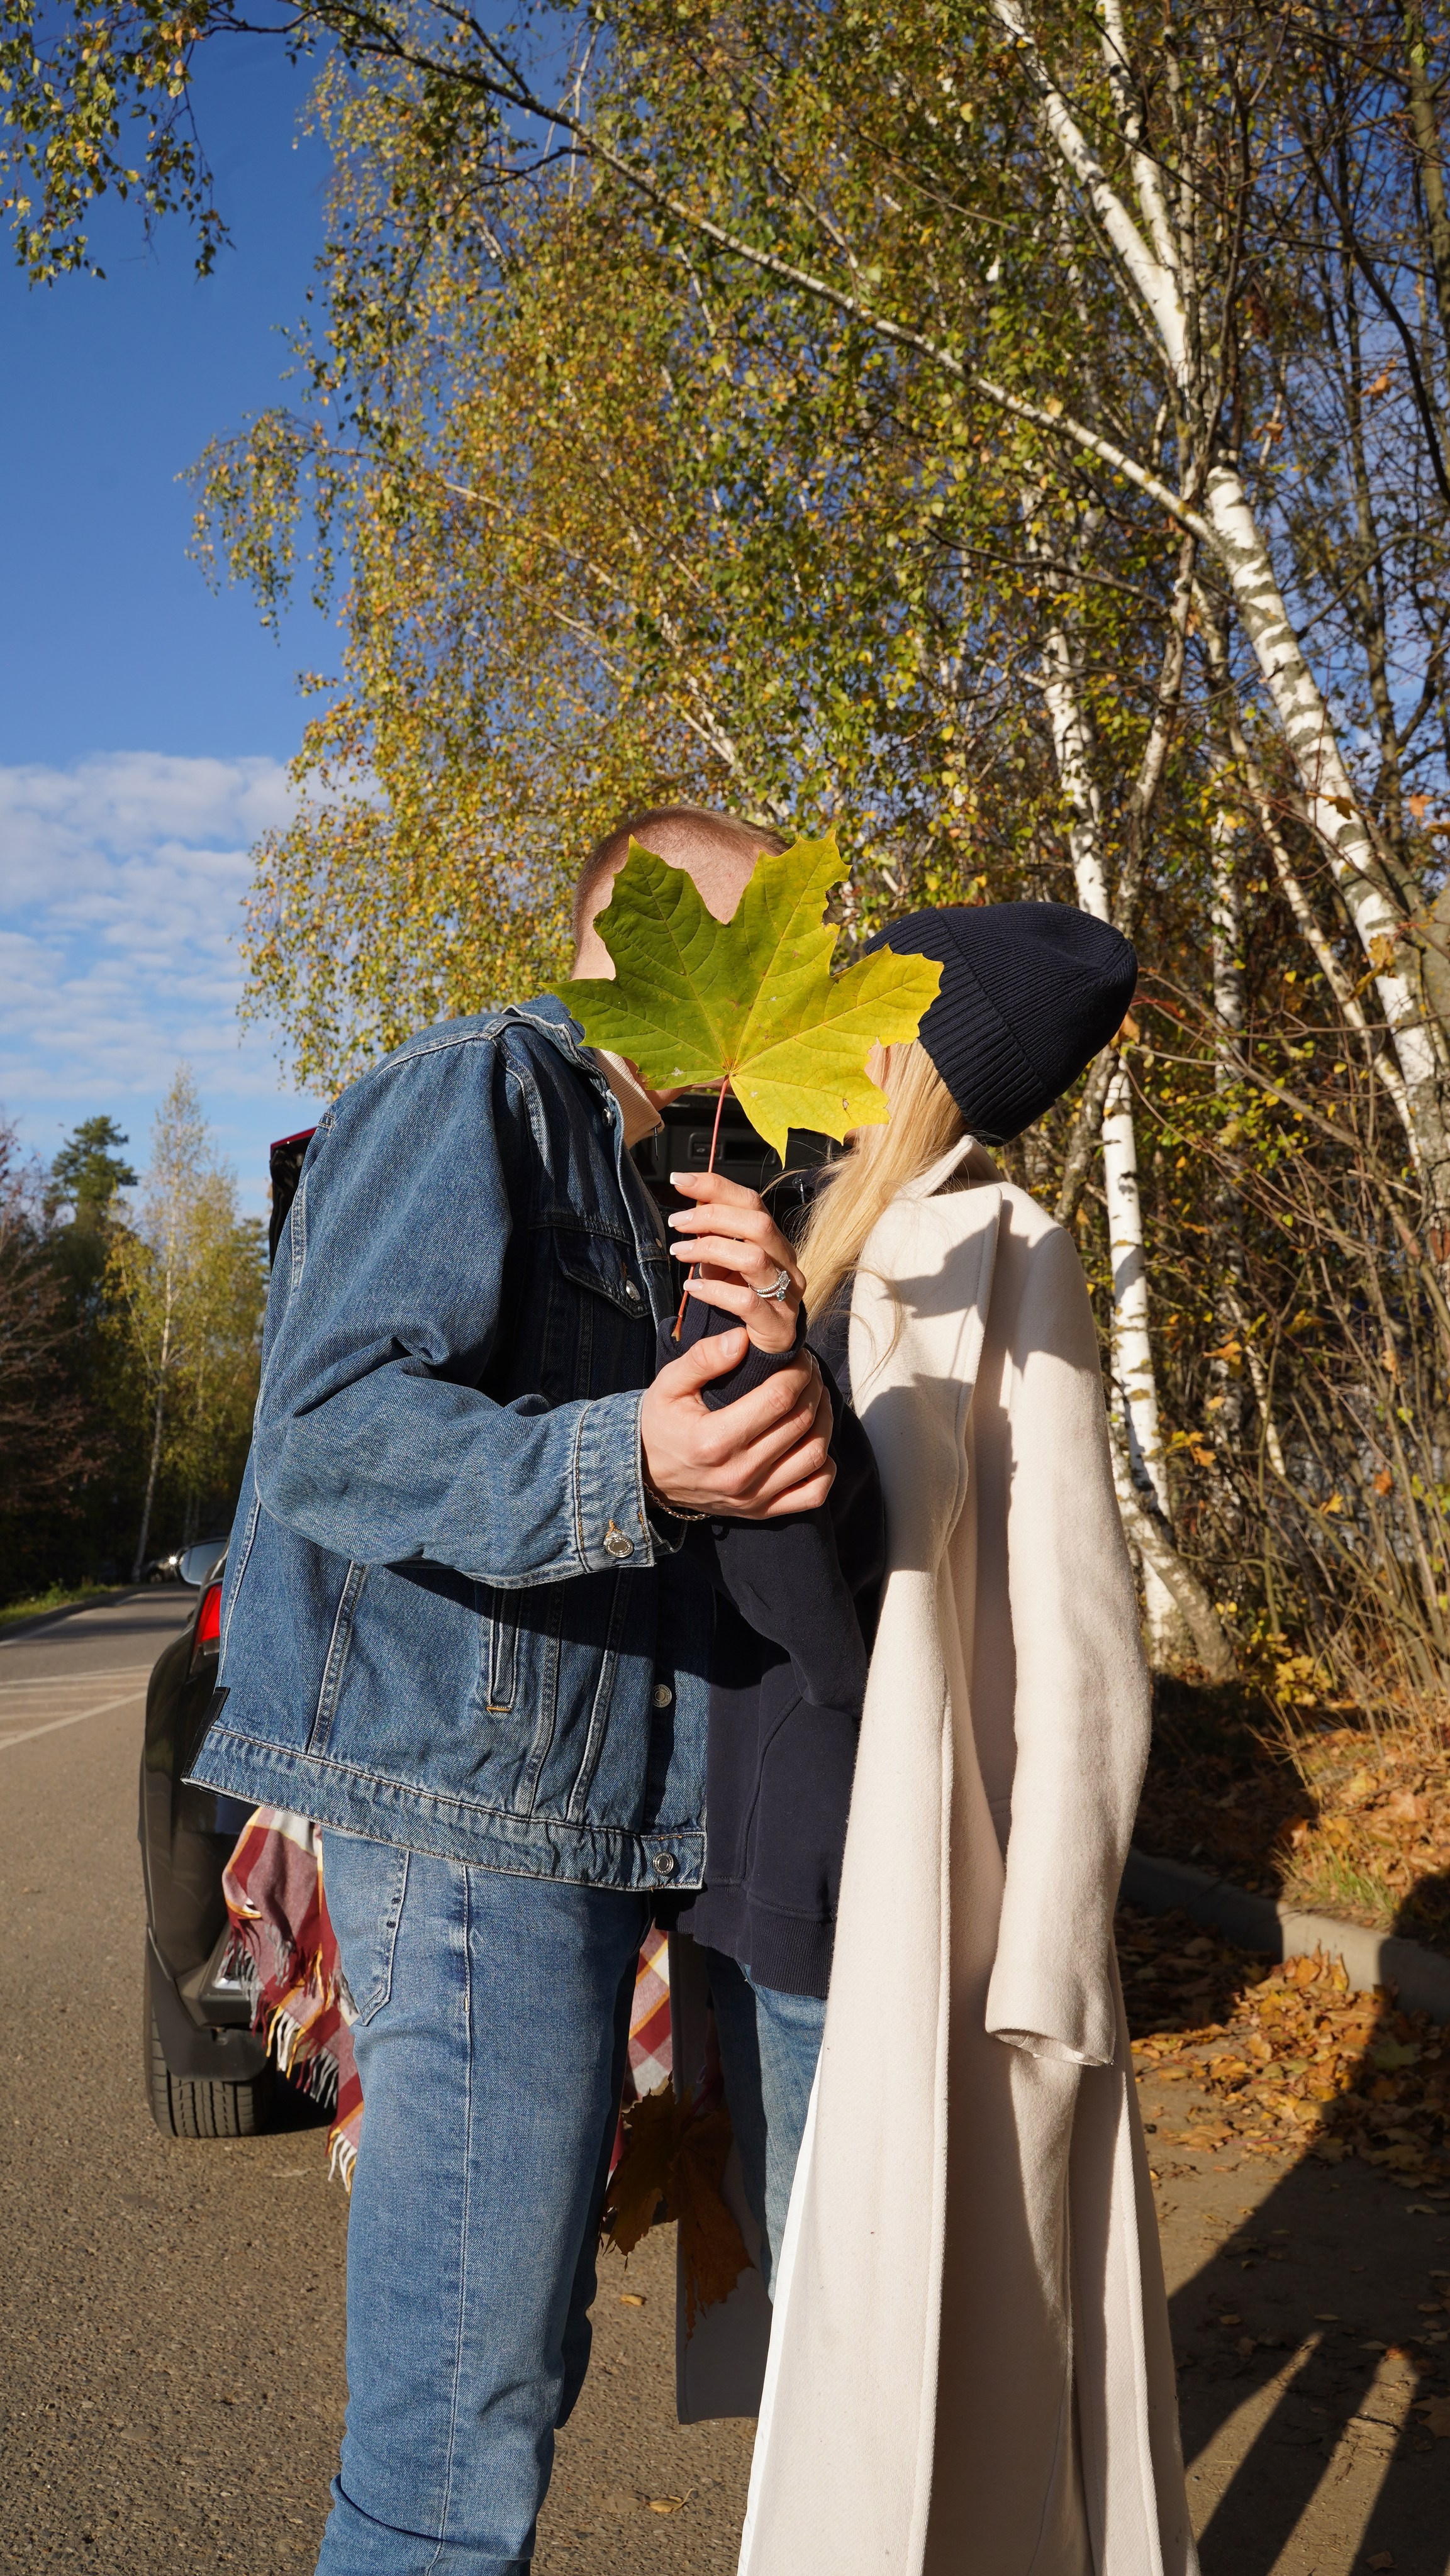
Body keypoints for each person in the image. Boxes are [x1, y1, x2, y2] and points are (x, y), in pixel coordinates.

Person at [188, 804, 837, 2576]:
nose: (788, 980)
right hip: (472, 1825)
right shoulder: (477, 1089)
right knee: (464, 2415)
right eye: (755, 938)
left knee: (521, 2358)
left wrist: (769, 1347)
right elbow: (325, 1428)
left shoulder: (683, 1172)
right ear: (630, 948)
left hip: (620, 1824)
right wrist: (627, 1454)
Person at [739, 902, 1199, 2576]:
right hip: (740, 1865)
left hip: (878, 1887)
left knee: (883, 2356)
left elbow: (1077, 1627)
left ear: (917, 1048)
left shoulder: (1002, 1247)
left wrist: (1058, 1944)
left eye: (868, 996)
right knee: (806, 2346)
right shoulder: (783, 1229)